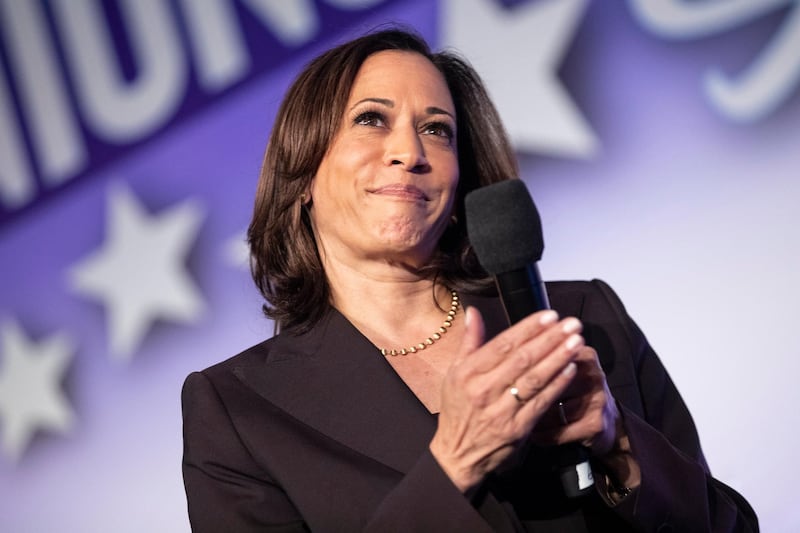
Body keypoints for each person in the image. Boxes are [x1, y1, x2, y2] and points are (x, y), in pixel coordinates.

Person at [181, 28, 758, 532]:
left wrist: (619, 444)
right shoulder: (238, 410)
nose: (409, 151)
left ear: (459, 190)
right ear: (302, 171)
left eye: (437, 130)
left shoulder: (587, 319)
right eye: (370, 120)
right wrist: (453, 463)